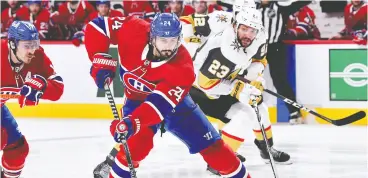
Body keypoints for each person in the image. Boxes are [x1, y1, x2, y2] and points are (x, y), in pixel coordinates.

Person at [84, 13, 252, 178]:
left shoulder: (183, 67)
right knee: (134, 148)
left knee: (214, 149)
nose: (168, 46)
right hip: (136, 100)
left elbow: (158, 105)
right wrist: (100, 57)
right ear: (152, 36)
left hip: (176, 106)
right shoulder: (132, 28)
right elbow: (97, 26)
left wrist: (133, 122)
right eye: (163, 40)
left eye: (173, 40)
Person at [190, 9, 291, 175]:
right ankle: (219, 162)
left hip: (224, 82)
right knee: (244, 115)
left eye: (252, 31)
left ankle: (266, 149)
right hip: (199, 92)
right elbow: (207, 84)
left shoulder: (257, 39)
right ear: (235, 26)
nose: (248, 34)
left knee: (258, 105)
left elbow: (259, 59)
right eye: (244, 29)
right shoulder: (221, 49)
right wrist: (237, 88)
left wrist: (254, 78)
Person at [0, 21, 64, 178]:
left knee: (17, 150)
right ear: (13, 44)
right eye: (27, 45)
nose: (32, 50)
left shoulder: (37, 56)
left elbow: (58, 88)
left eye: (35, 44)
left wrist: (42, 85)